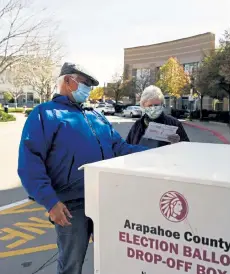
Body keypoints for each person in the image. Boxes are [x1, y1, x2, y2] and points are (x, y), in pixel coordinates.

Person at [18, 62, 148, 274]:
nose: (88, 89)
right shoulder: (45, 114)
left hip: (104, 199)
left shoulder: (95, 116)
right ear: (68, 81)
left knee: (112, 256)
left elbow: (119, 147)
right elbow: (29, 162)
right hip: (71, 206)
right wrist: (51, 202)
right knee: (72, 264)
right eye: (86, 83)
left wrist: (153, 154)